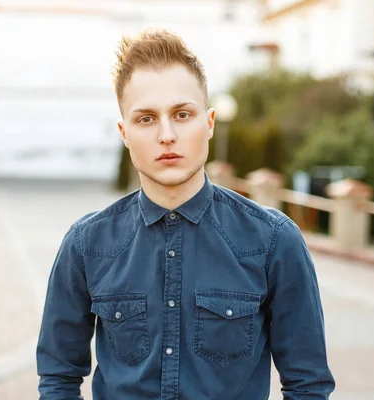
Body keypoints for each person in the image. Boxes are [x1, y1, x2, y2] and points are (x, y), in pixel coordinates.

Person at [36, 28, 335, 400]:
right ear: (124, 132)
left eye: (182, 114)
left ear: (208, 123)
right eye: (146, 118)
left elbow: (308, 384)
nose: (166, 135)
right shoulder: (86, 244)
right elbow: (58, 377)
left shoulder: (273, 240)